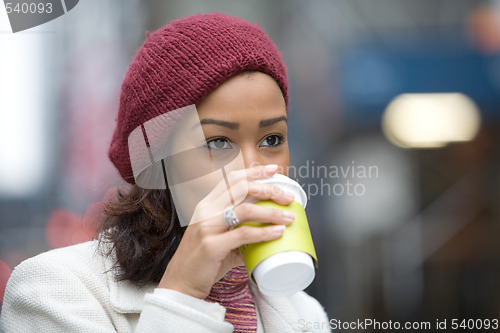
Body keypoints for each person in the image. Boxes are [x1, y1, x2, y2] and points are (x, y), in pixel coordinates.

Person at [0, 13, 330, 332]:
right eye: (217, 142)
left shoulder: (304, 312)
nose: (252, 168)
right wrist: (182, 293)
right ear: (158, 162)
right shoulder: (52, 290)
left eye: (271, 139)